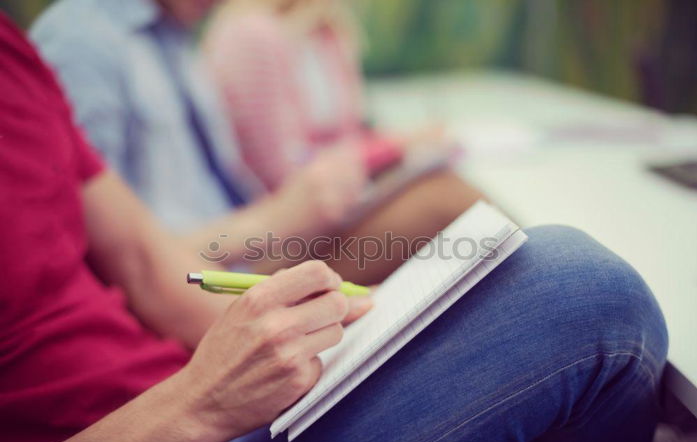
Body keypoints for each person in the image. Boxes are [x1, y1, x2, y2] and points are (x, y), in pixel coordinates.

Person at [0, 14, 668, 442]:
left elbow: (150, 267)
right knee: (580, 290)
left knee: (510, 273)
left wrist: (370, 319)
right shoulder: (100, 40)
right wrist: (199, 403)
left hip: (194, 380)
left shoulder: (19, 54)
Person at [31, 0, 482, 285]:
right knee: (445, 206)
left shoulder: (175, 40)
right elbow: (102, 259)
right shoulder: (83, 41)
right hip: (204, 277)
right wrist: (276, 218)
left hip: (252, 250)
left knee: (451, 220)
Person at [204, 0, 409, 190]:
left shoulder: (330, 34)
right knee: (433, 195)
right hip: (294, 207)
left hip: (340, 189)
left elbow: (350, 134)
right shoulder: (252, 35)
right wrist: (389, 150)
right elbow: (281, 171)